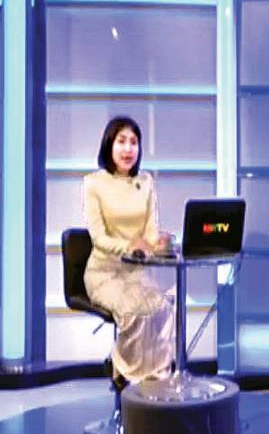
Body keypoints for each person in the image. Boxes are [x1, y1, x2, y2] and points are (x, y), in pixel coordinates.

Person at [83, 116, 175, 389]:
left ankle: (157, 379)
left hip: (136, 273)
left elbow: (149, 232)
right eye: (121, 141)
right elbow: (98, 238)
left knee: (164, 306)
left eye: (134, 142)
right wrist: (129, 246)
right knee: (134, 310)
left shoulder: (145, 182)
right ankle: (124, 372)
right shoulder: (93, 183)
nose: (128, 149)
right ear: (109, 145)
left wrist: (158, 243)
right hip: (104, 273)